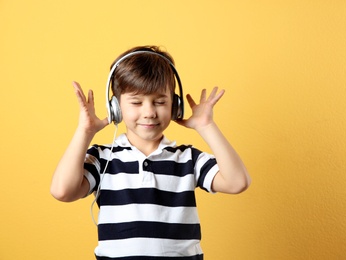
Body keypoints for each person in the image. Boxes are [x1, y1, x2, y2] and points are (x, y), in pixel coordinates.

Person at [50, 45, 251, 259]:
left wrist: (206, 126)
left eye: (160, 102)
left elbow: (237, 182)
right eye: (136, 102)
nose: (149, 112)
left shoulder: (188, 158)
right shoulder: (103, 158)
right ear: (115, 107)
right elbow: (63, 191)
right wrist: (85, 132)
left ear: (175, 105)